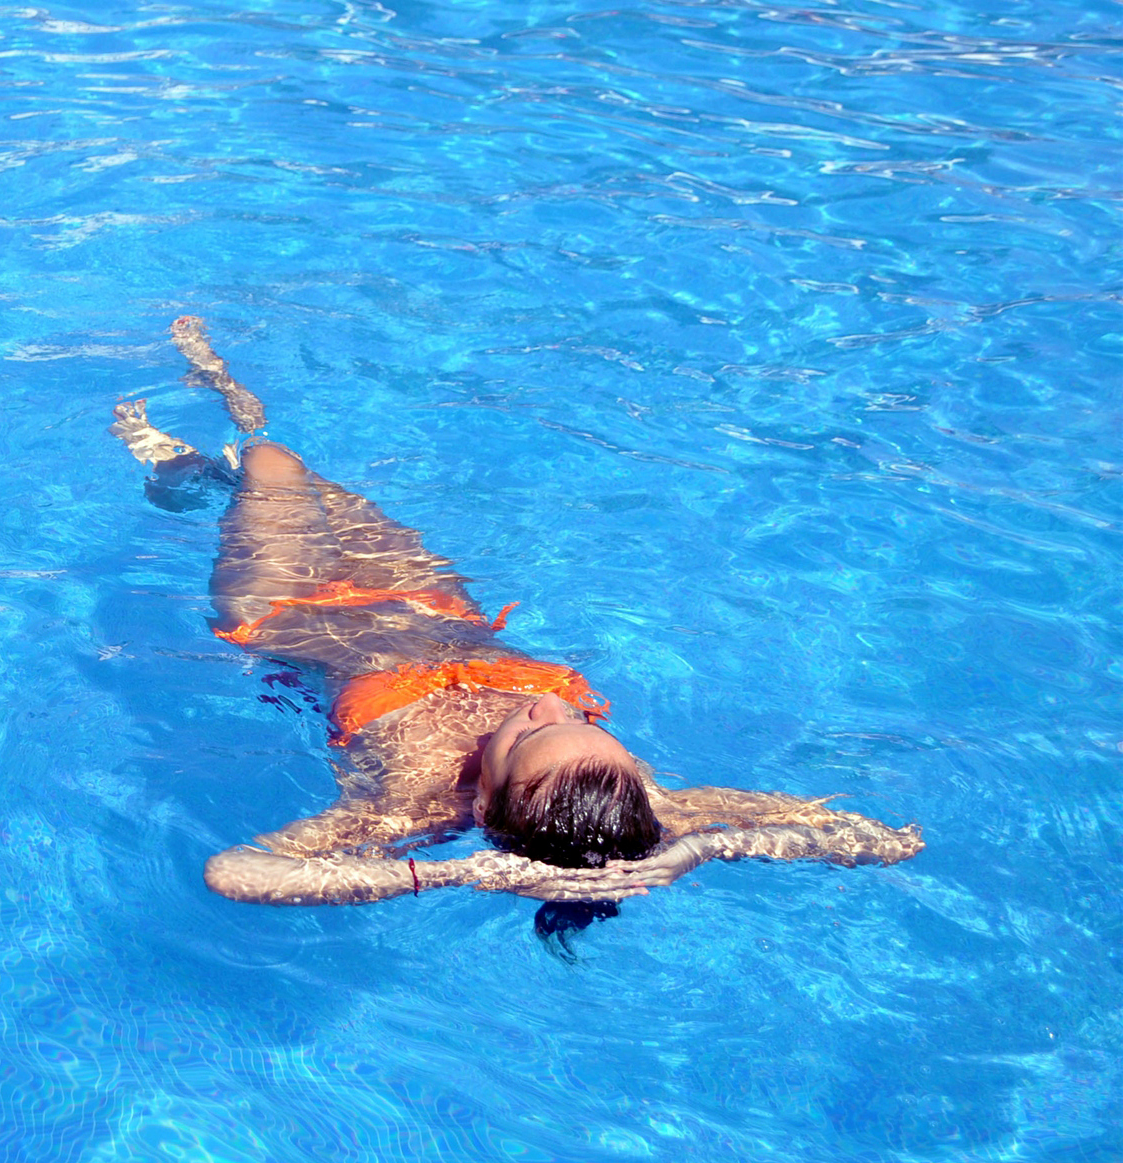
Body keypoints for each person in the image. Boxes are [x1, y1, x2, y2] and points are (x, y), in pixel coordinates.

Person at [112, 317, 924, 910]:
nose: (545, 703)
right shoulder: (641, 799)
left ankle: (202, 443)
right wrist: (696, 849)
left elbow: (239, 873)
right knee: (299, 477)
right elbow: (881, 839)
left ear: (490, 805)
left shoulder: (415, 807)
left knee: (272, 463)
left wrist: (463, 870)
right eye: (581, 722)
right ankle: (219, 413)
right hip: (426, 600)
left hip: (286, 612)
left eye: (530, 734)